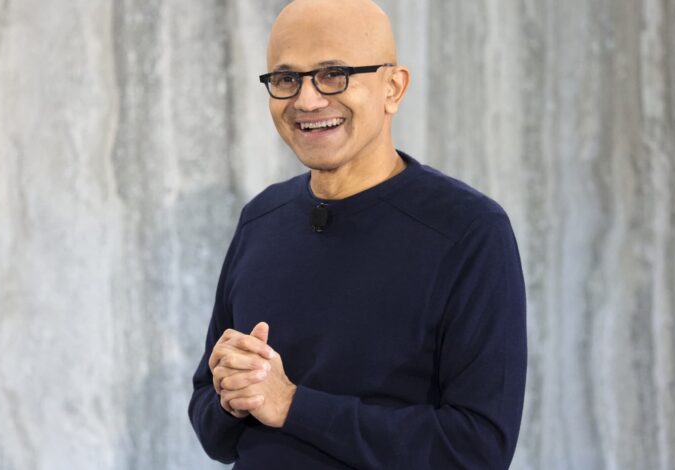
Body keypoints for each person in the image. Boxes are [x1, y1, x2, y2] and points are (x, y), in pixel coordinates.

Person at [188, 0, 527, 468]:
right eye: (286, 79)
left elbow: (478, 450)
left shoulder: (468, 229)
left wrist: (292, 405)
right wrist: (232, 396)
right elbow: (213, 430)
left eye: (334, 74)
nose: (307, 101)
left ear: (393, 87)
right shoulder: (262, 218)